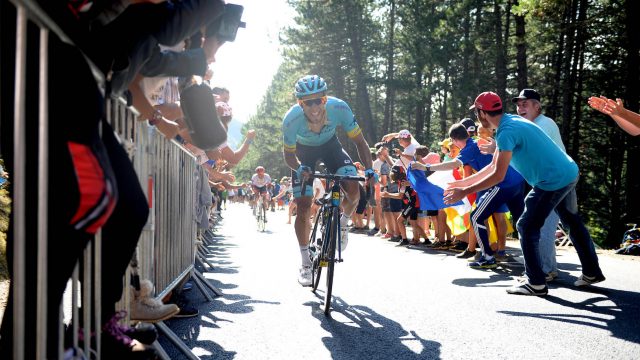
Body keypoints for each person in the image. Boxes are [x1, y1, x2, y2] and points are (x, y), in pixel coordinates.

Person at [444, 91, 605, 296]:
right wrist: (461, 183)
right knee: (571, 222)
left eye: (477, 113)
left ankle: (535, 282)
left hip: (552, 180)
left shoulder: (506, 131)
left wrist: (464, 191)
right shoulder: (510, 121)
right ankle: (592, 271)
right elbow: (493, 167)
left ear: (482, 113)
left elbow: (498, 176)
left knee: (526, 225)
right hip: (568, 171)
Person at [282, 75, 373, 286]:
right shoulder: (291, 119)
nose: (314, 107)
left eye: (319, 100)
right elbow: (288, 156)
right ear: (300, 103)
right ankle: (305, 263)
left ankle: (342, 224)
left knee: (352, 188)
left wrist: (369, 169)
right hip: (304, 153)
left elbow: (360, 142)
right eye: (308, 102)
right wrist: (300, 167)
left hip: (331, 147)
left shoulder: (339, 108)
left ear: (325, 99)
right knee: (304, 206)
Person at [413, 123, 525, 268]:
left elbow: (454, 164)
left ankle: (488, 256)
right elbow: (486, 169)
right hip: (514, 179)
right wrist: (464, 183)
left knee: (476, 217)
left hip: (500, 183)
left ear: (453, 140)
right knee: (522, 222)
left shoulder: (468, 148)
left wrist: (426, 167)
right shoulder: (476, 142)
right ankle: (530, 262)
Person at [511, 88, 567, 281]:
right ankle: (588, 271)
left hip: (553, 182)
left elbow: (531, 152)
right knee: (570, 226)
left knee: (539, 225)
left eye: (525, 104)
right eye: (518, 105)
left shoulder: (544, 124)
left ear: (537, 106)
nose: (520, 108)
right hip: (553, 181)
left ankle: (546, 270)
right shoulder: (533, 125)